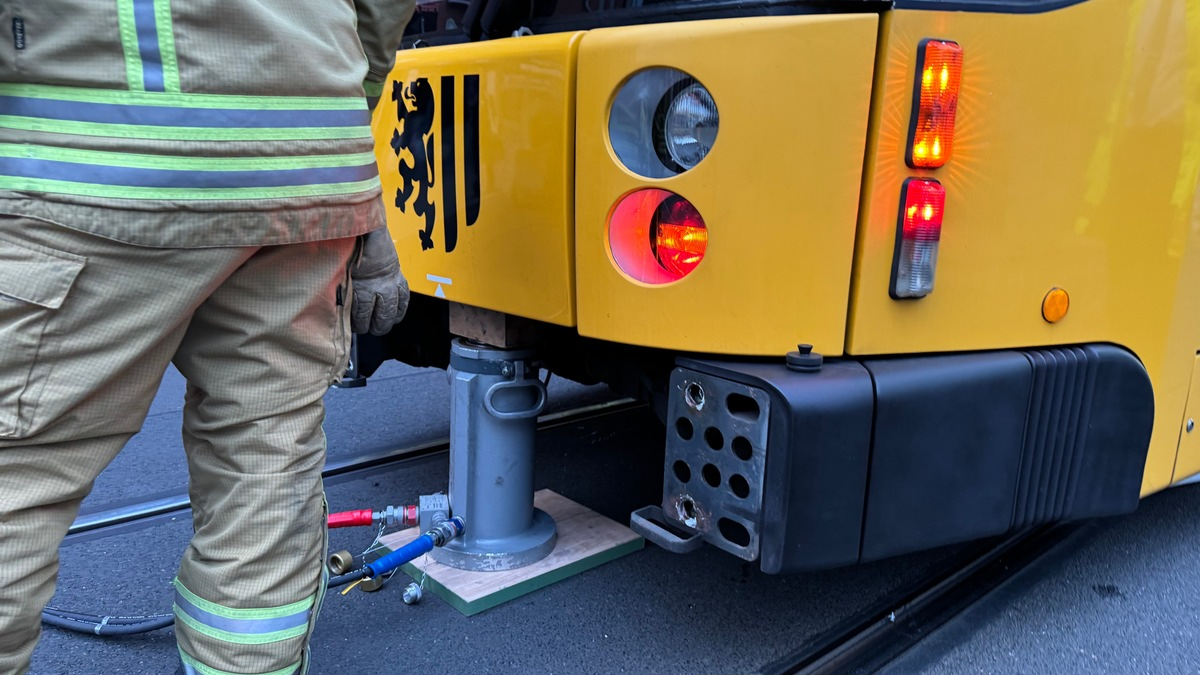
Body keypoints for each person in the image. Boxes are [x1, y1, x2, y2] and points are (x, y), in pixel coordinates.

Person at [0, 1, 415, 673]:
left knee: (17, 476)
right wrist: (342, 100)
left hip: (93, 155)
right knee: (266, 471)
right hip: (307, 163)